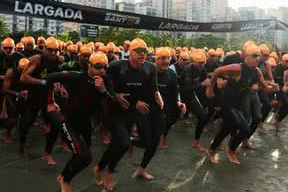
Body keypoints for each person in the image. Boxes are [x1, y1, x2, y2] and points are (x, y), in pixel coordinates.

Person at [95, 38, 164, 191]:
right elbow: (105, 86)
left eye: (145, 51)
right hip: (113, 110)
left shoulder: (150, 68)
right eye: (138, 51)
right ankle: (109, 172)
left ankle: (99, 167)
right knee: (124, 143)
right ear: (130, 53)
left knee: (118, 144)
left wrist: (158, 94)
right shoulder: (116, 66)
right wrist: (116, 95)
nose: (142, 54)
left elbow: (153, 87)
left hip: (131, 111)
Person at [45, 52, 114, 192]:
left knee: (82, 156)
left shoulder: (105, 81)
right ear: (89, 66)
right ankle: (65, 180)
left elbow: (111, 102)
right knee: (84, 156)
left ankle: (64, 176)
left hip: (85, 125)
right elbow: (50, 78)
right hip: (68, 123)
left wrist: (103, 90)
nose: (102, 70)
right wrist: (51, 101)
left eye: (104, 67)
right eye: (98, 66)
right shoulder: (76, 76)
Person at [205, 44, 277, 164]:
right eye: (254, 56)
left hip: (239, 103)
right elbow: (217, 71)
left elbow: (265, 88)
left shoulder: (257, 72)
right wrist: (210, 89)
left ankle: (211, 150)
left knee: (227, 128)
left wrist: (274, 88)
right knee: (245, 128)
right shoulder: (238, 68)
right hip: (228, 102)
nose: (256, 59)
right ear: (246, 57)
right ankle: (231, 150)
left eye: (258, 57)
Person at [19, 37, 63, 163]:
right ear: (44, 48)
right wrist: (42, 82)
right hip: (34, 97)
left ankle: (47, 153)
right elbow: (23, 78)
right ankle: (22, 146)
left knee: (55, 123)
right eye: (50, 50)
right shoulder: (37, 59)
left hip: (49, 98)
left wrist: (60, 86)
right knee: (27, 122)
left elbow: (57, 77)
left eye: (56, 50)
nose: (53, 53)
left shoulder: (57, 59)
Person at [178, 50, 211, 151]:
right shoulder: (188, 69)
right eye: (200, 63)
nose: (202, 65)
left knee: (203, 117)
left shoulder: (202, 69)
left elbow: (207, 80)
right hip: (180, 96)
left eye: (204, 63)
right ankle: (163, 138)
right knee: (170, 120)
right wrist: (202, 84)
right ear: (194, 62)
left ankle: (196, 142)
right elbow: (187, 88)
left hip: (191, 96)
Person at [155, 47, 186, 149]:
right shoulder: (149, 70)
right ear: (156, 59)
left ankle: (164, 136)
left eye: (168, 58)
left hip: (166, 101)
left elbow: (175, 90)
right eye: (163, 58)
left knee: (174, 113)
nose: (166, 61)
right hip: (150, 101)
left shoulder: (171, 73)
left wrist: (178, 102)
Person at [2, 58, 29, 143]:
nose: (22, 71)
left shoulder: (31, 72)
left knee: (25, 118)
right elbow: (5, 90)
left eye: (24, 70)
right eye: (20, 69)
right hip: (12, 96)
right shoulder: (11, 73)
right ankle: (8, 134)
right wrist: (17, 94)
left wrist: (28, 91)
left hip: (25, 96)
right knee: (12, 119)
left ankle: (20, 130)